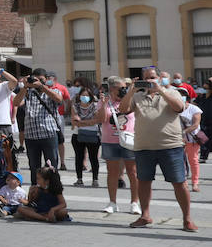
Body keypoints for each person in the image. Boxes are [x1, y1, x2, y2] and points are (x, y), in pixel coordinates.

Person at [122, 66, 196, 232]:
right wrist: (131, 91)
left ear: (159, 78)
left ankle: (187, 219)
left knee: (179, 182)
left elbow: (178, 108)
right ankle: (145, 215)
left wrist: (161, 91)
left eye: (153, 77)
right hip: (143, 147)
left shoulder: (173, 92)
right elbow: (123, 110)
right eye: (146, 78)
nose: (150, 81)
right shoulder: (138, 95)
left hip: (170, 146)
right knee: (144, 182)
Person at [97, 76, 139, 216]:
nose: (124, 89)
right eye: (122, 87)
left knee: (132, 173)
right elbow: (101, 119)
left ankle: (134, 202)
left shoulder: (129, 99)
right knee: (112, 173)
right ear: (112, 88)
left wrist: (130, 92)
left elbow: (131, 111)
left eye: (125, 87)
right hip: (110, 141)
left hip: (129, 140)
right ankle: (112, 203)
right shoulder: (105, 101)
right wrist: (103, 104)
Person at [16, 67, 64, 183]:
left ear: (46, 79)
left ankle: (53, 189)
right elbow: (16, 103)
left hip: (48, 134)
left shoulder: (53, 91)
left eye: (41, 80)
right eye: (36, 80)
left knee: (51, 166)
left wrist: (42, 87)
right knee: (34, 167)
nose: (38, 82)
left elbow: (59, 99)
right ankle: (35, 191)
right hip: (31, 136)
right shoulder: (28, 93)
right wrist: (25, 87)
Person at [70, 81, 101, 187]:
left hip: (93, 134)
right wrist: (88, 122)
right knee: (79, 157)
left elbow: (97, 120)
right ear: (79, 96)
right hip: (77, 135)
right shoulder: (75, 106)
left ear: (91, 96)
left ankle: (95, 179)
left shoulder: (95, 106)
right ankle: (79, 179)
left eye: (87, 95)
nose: (85, 97)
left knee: (94, 158)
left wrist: (81, 122)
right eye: (83, 95)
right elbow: (74, 122)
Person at [179, 87, 203, 193]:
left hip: (193, 138)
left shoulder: (194, 109)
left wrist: (183, 133)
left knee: (193, 161)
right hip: (178, 140)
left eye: (182, 94)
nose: (180, 96)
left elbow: (195, 125)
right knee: (180, 161)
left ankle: (195, 183)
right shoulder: (173, 108)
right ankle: (184, 182)